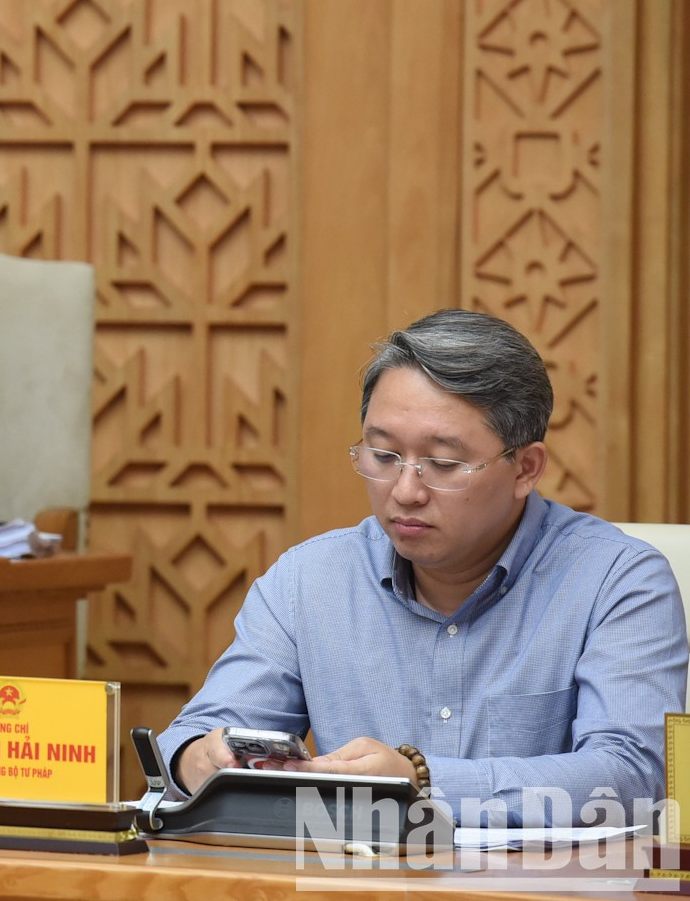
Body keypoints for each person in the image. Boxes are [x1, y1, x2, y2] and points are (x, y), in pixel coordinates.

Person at [157, 309, 687, 826]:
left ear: (525, 468)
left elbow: (634, 775)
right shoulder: (308, 580)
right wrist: (198, 759)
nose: (405, 492)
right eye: (383, 457)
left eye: (443, 464)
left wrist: (424, 782)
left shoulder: (618, 580)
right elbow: (196, 734)